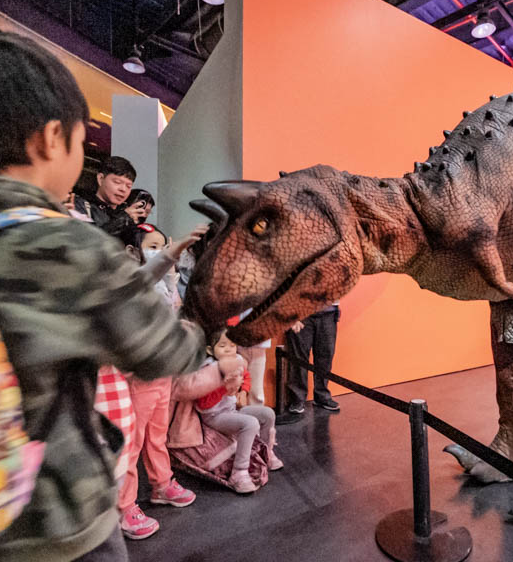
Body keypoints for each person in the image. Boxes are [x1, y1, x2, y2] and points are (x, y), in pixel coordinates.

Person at [0, 25, 207, 562]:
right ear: (51, 138)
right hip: (52, 525)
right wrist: (210, 313)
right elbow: (166, 351)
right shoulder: (63, 243)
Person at [114, 222, 207, 540]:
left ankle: (162, 485)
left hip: (162, 371)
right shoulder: (128, 283)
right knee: (132, 442)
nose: (161, 249)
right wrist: (172, 252)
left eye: (162, 244)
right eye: (153, 245)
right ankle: (124, 507)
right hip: (139, 374)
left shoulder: (165, 284)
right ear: (131, 251)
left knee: (157, 434)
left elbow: (174, 312)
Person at [193, 329, 283, 493]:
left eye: (232, 345)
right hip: (214, 415)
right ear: (210, 350)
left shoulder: (237, 361)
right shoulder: (208, 369)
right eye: (222, 346)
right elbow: (203, 404)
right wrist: (224, 388)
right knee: (250, 423)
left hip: (231, 410)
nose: (228, 349)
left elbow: (246, 376)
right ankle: (239, 472)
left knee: (267, 414)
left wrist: (243, 391)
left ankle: (266, 453)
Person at [279, 302, 342, 424]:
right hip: (301, 313)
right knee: (298, 358)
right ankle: (297, 398)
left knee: (326, 355)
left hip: (329, 312)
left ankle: (322, 395)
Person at [73, 156, 144, 234]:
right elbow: (88, 240)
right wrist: (123, 219)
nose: (123, 189)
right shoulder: (80, 205)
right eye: (117, 182)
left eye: (128, 186)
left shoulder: (126, 212)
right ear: (100, 179)